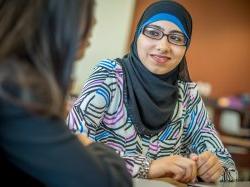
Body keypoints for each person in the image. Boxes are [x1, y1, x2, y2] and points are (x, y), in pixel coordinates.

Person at [67, 0, 238, 183]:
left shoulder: (188, 96)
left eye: (176, 38)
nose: (163, 46)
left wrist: (212, 169)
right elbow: (70, 147)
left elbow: (230, 170)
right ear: (138, 35)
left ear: (185, 47)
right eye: (153, 33)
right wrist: (150, 167)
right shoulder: (109, 75)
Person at [0, 0, 132, 186]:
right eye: (87, 10)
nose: (93, 22)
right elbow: (110, 182)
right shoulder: (15, 90)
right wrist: (79, 140)